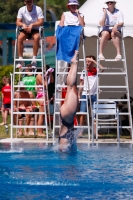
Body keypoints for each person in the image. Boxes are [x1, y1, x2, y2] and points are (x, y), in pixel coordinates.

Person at [59, 51, 80, 151]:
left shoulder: (64, 142)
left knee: (71, 87)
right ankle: (73, 62)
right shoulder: (63, 139)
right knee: (70, 87)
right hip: (65, 117)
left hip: (67, 118)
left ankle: (74, 62)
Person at [78, 55, 103, 136]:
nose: (87, 63)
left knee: (95, 114)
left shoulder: (97, 70)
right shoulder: (84, 71)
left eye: (89, 61)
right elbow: (81, 83)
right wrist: (79, 94)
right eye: (86, 61)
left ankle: (95, 132)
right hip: (85, 94)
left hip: (94, 94)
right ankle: (80, 131)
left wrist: (95, 61)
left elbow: (103, 68)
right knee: (82, 113)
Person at [16, 0, 44, 67]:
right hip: (25, 29)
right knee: (19, 38)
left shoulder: (38, 9)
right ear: (24, 2)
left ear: (33, 1)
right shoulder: (21, 9)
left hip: (35, 29)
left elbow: (41, 21)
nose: (29, 2)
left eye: (30, 1)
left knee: (37, 37)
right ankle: (20, 60)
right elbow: (17, 22)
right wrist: (23, 25)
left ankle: (34, 60)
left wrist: (32, 25)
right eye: (27, 1)